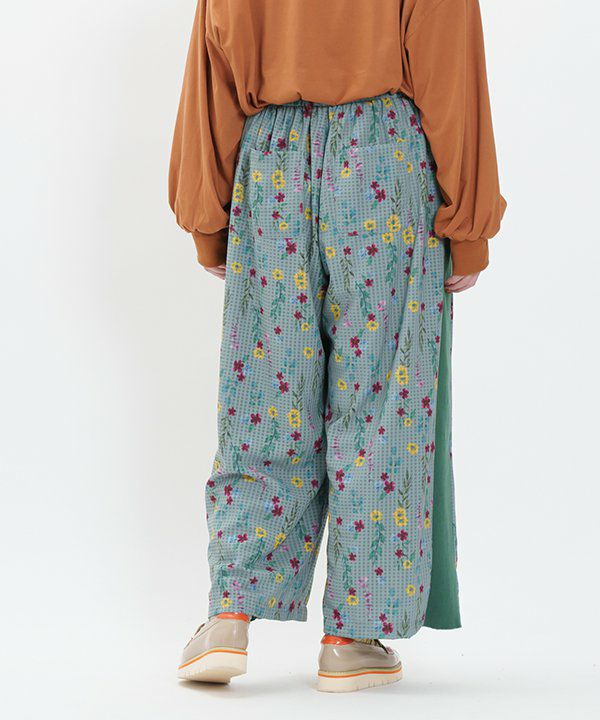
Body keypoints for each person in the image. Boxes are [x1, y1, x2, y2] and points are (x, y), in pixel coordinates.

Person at [169, 0, 505, 693]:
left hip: (270, 160)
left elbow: (214, 64)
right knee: (381, 403)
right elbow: (448, 69)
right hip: (384, 157)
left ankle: (229, 615)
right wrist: (468, 225)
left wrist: (208, 219)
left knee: (265, 394)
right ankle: (351, 638)